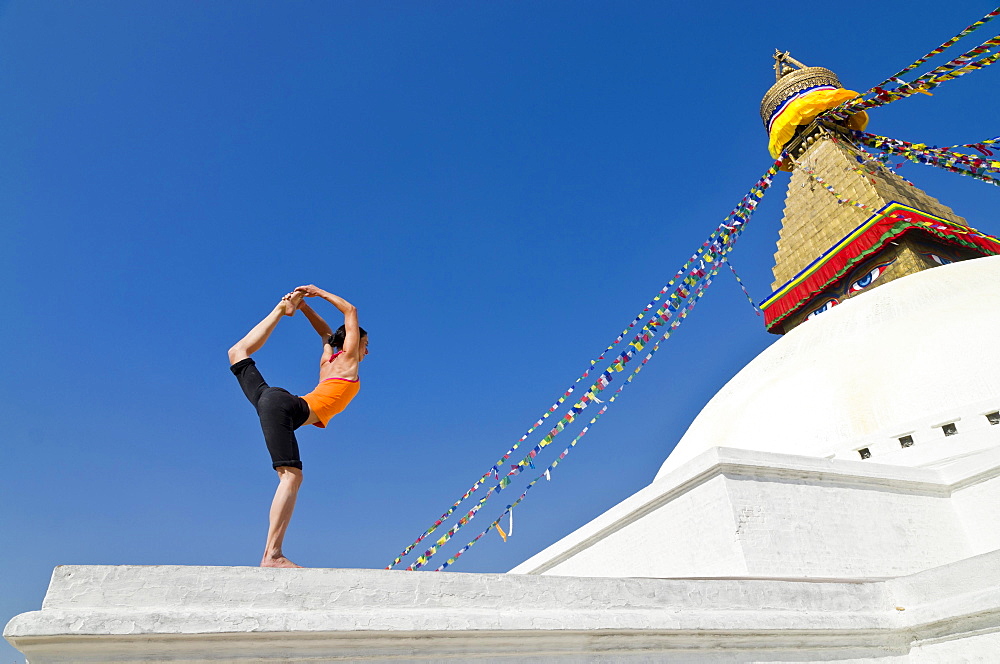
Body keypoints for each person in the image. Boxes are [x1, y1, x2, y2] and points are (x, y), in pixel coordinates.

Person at [228, 285, 368, 568]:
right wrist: (318, 292)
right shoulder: (349, 360)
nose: (367, 349)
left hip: (271, 400)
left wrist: (303, 307)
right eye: (365, 343)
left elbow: (324, 333)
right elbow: (350, 310)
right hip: (287, 407)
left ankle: (281, 310)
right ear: (354, 342)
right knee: (291, 477)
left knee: (237, 352)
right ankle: (272, 555)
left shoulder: (328, 358)